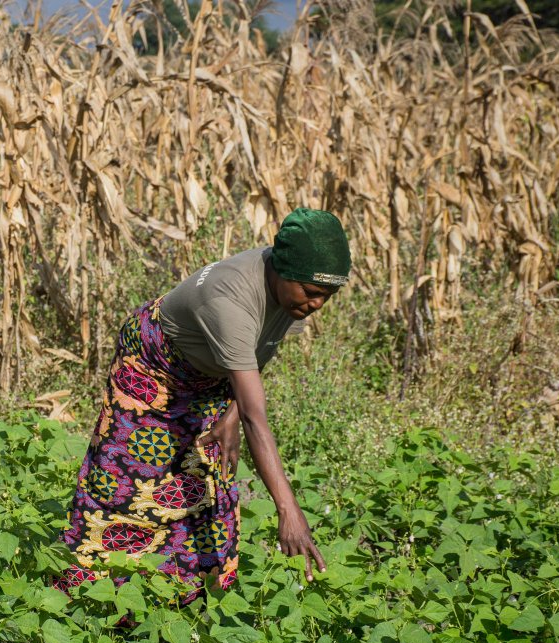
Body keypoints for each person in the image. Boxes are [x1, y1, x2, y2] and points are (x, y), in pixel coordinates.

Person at [53, 208, 350, 604]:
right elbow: (255, 415)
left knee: (206, 486)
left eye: (326, 297)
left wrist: (229, 412)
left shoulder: (290, 290)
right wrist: (288, 510)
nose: (316, 305)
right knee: (125, 485)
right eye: (311, 293)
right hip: (153, 368)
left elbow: (256, 353)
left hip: (210, 380)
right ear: (283, 271)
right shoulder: (229, 298)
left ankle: (186, 607)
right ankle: (85, 607)